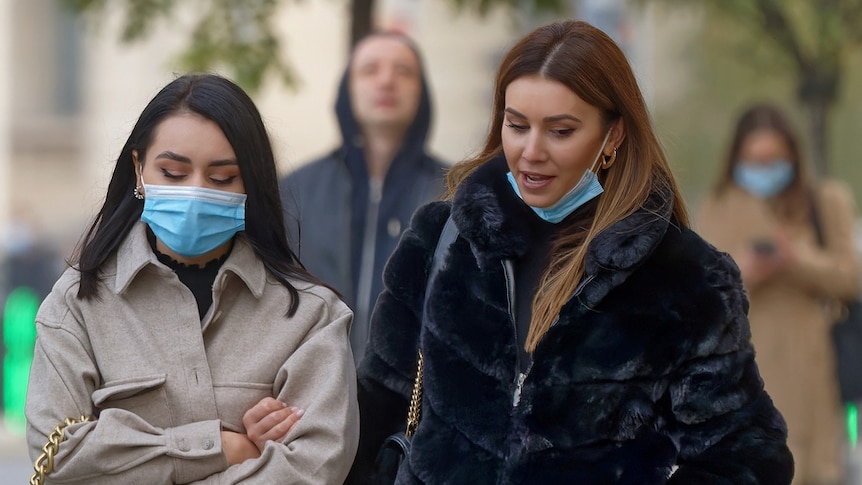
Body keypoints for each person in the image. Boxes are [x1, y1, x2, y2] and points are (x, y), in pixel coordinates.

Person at [348, 20, 794, 484]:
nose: (531, 152)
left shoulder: (686, 278)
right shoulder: (442, 238)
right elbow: (375, 405)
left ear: (614, 135)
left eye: (560, 131)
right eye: (516, 125)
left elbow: (747, 455)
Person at [25, 73, 359, 484]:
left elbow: (314, 469)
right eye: (173, 172)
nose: (197, 193)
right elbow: (57, 458)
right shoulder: (76, 306)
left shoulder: (311, 317)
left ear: (250, 182)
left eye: (221, 178)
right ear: (139, 169)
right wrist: (226, 447)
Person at [697, 103, 858, 485]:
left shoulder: (824, 201)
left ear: (792, 156)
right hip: (745, 375)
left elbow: (851, 278)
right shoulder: (720, 207)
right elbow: (699, 296)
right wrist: (745, 270)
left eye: (773, 160)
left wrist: (795, 259)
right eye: (753, 160)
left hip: (816, 373)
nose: (763, 171)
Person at [279, 32, 447, 365]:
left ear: (422, 93)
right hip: (314, 390)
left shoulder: (455, 192)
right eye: (370, 69)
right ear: (347, 89)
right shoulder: (295, 190)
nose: (387, 80)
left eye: (403, 71)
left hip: (416, 400)